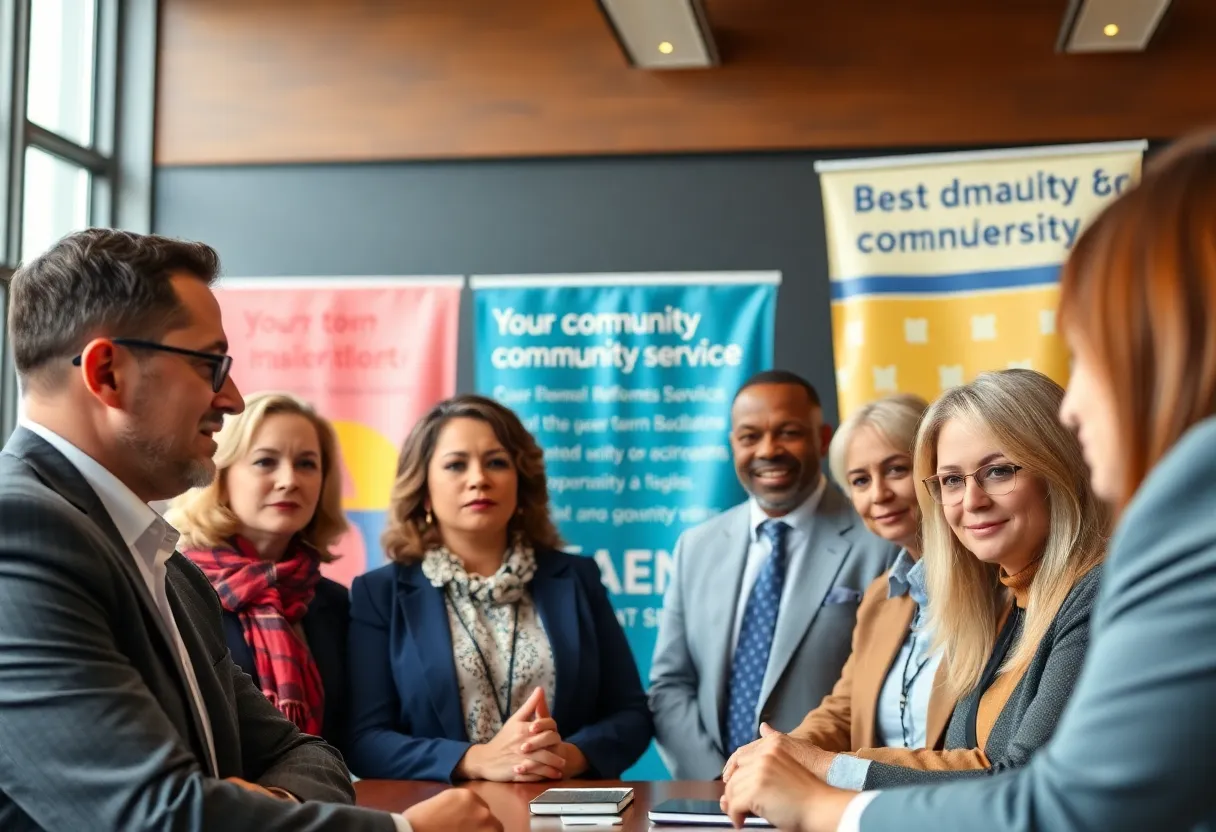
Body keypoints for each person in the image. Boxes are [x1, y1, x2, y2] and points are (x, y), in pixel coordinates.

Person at [720, 130, 1216, 832]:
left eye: (1092, 356)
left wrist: (826, 801)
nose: (1076, 407)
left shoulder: (1172, 527)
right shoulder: (1006, 595)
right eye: (948, 480)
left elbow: (1053, 799)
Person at [0, 229, 499, 831]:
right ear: (108, 372)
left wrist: (272, 806)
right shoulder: (18, 534)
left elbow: (306, 753)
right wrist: (407, 831)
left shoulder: (171, 571)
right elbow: (152, 817)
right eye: (211, 365)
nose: (232, 398)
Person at [727, 369, 1108, 790]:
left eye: (999, 471)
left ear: (1059, 465)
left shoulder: (1056, 591)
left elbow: (1011, 778)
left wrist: (823, 765)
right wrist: (786, 752)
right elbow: (850, 709)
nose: (972, 500)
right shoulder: (1017, 588)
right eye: (952, 480)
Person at [344, 394, 653, 783]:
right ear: (423, 489)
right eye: (456, 465)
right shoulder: (380, 594)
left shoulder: (577, 579)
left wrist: (569, 756)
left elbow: (631, 714)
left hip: (566, 811)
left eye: (496, 463)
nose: (479, 479)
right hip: (439, 815)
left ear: (521, 482)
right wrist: (475, 760)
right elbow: (363, 740)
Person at [649, 370, 899, 779]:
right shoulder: (696, 546)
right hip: (714, 797)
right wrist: (720, 780)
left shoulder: (882, 539)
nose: (768, 449)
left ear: (822, 439)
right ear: (733, 444)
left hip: (826, 794)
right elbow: (670, 684)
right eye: (749, 436)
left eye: (788, 432)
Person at [721, 393, 956, 780]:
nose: (878, 495)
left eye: (896, 470)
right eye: (860, 480)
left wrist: (831, 765)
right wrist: (781, 749)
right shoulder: (882, 595)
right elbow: (845, 708)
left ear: (936, 471)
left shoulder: (996, 590)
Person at [168, 391, 352, 751]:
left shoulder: (337, 604)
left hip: (326, 799)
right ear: (220, 473)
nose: (289, 480)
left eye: (307, 464)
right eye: (266, 462)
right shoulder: (174, 586)